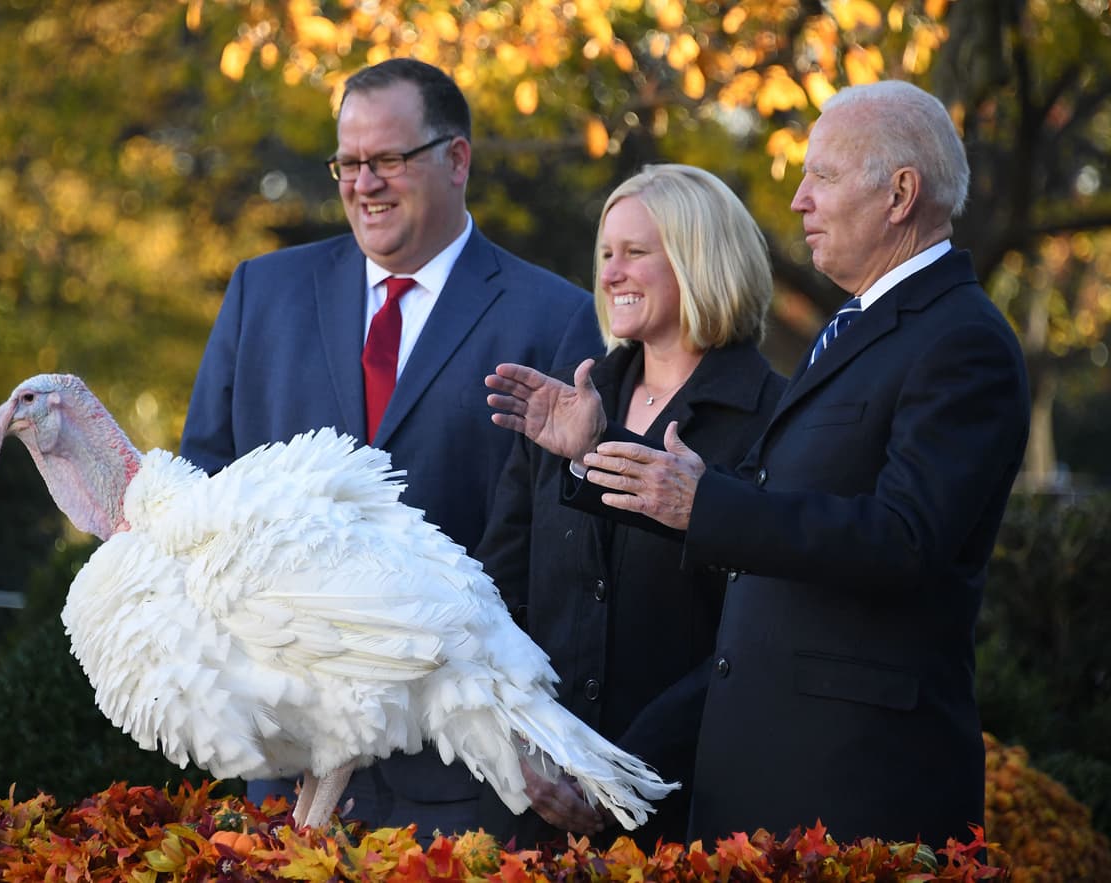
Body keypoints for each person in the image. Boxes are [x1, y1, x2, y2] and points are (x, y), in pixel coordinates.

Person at [490, 80, 1030, 847]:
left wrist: (702, 504)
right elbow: (773, 513)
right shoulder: (854, 329)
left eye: (824, 177)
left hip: (856, 785)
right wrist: (598, 459)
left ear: (901, 193)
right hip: (770, 778)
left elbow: (906, 538)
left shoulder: (960, 340)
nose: (801, 200)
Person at [179, 57, 604, 836]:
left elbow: (567, 555)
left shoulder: (554, 318)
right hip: (290, 772)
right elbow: (202, 496)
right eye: (348, 162)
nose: (363, 183)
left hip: (463, 774)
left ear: (457, 159)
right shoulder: (261, 295)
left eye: (387, 160)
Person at [476, 164, 786, 850]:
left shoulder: (777, 419)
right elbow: (494, 597)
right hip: (540, 807)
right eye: (606, 254)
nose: (612, 272)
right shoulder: (564, 409)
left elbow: (757, 632)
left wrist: (620, 774)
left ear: (700, 258)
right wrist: (523, 747)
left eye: (636, 252)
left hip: (691, 814)